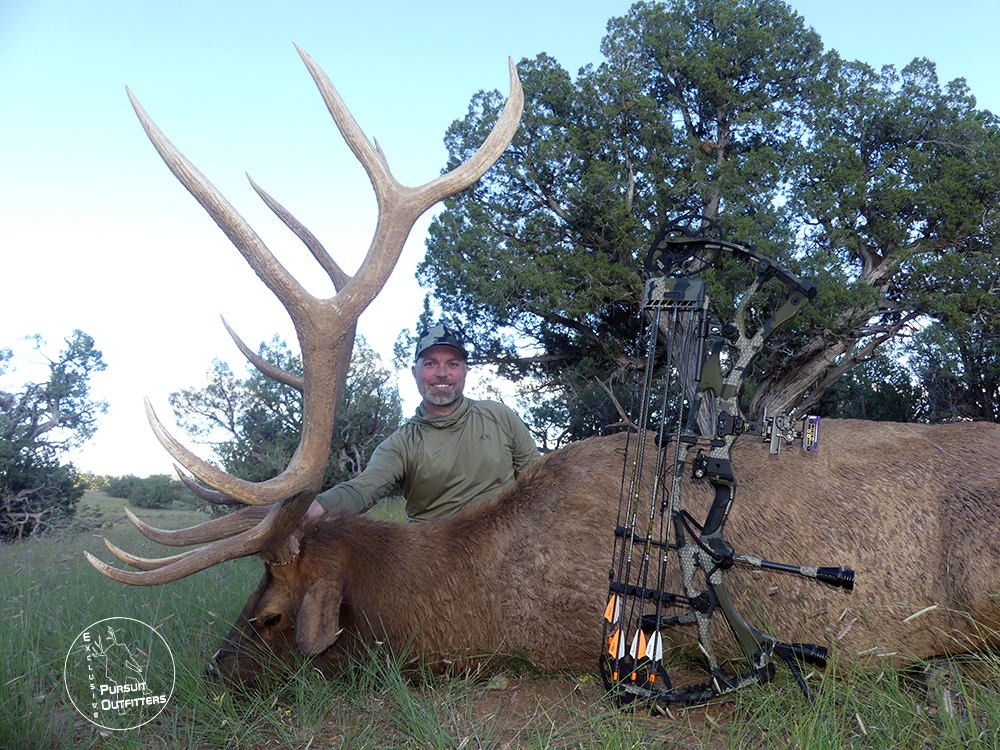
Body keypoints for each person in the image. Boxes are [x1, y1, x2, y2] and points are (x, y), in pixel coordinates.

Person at [308, 323, 539, 521]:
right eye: (430, 364)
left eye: (452, 364)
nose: (441, 373)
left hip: (509, 548)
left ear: (466, 371)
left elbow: (540, 478)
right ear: (414, 371)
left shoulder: (500, 416)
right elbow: (363, 489)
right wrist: (317, 506)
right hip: (439, 557)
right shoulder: (400, 444)